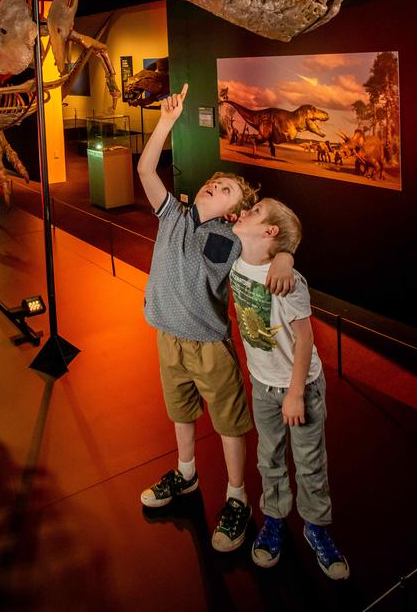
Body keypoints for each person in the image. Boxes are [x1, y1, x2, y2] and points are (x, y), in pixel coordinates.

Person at [138, 83, 294, 553]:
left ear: (235, 210)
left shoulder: (232, 238)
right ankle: (186, 474)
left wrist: (284, 254)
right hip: (168, 337)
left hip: (209, 345)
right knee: (180, 412)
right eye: (213, 181)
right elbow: (146, 168)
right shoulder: (172, 215)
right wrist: (165, 122)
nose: (214, 185)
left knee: (228, 423)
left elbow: (279, 232)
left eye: (225, 189)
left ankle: (236, 497)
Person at [231, 198, 349, 579]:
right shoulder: (236, 258)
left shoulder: (288, 281)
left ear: (270, 232)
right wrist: (286, 253)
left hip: (301, 387)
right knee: (270, 457)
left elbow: (304, 339)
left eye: (256, 211)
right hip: (263, 386)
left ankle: (316, 526)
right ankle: (276, 519)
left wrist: (296, 392)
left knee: (310, 462)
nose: (246, 211)